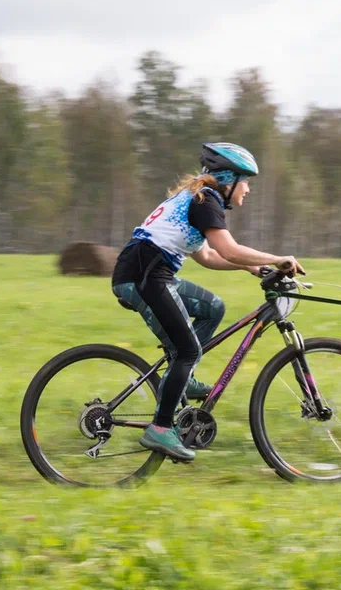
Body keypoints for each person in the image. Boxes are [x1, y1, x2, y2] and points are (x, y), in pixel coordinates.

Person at [110, 142, 305, 462]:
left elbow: (210, 256)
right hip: (144, 279)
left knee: (213, 308)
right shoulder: (205, 201)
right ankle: (160, 429)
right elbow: (227, 249)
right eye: (246, 181)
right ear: (229, 179)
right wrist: (278, 258)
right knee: (187, 350)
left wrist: (254, 266)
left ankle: (180, 378)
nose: (249, 189)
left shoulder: (199, 198)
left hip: (152, 275)